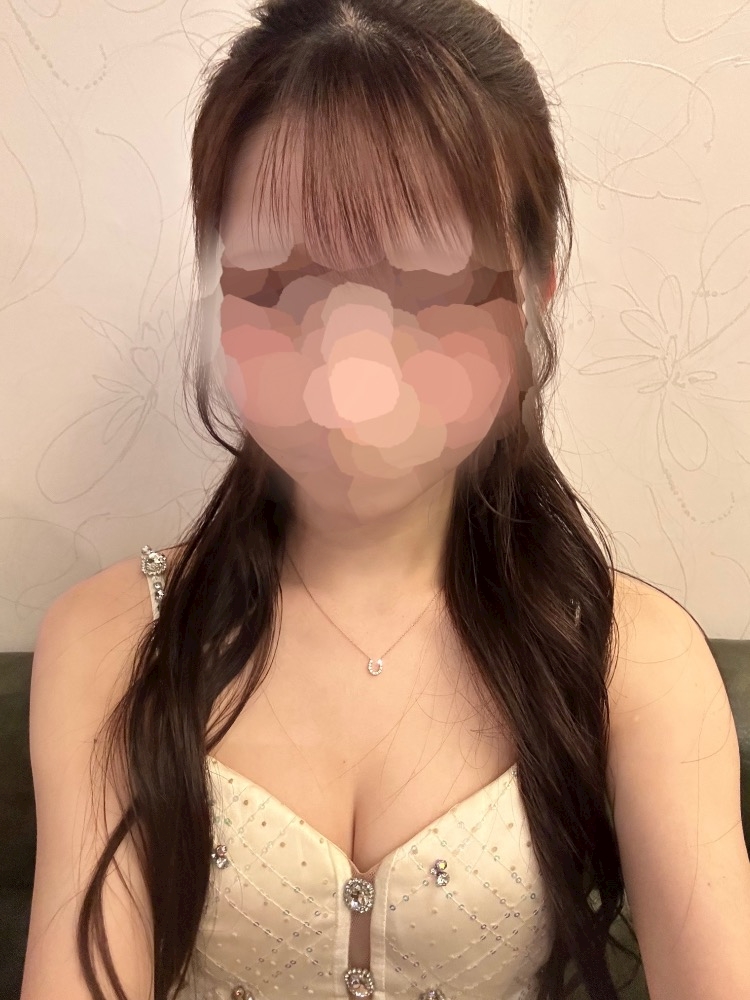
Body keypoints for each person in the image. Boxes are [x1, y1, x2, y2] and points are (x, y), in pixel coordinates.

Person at [21, 1, 750, 999]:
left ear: (536, 289)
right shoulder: (109, 644)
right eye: (280, 287)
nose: (348, 374)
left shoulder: (636, 662)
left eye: (427, 292)